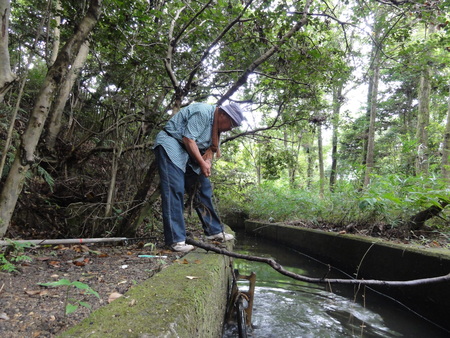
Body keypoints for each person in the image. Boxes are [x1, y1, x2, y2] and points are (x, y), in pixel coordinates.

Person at [153, 102, 245, 252]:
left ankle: (213, 231)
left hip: (188, 153)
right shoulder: (203, 112)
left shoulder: (216, 129)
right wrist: (201, 163)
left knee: (203, 187)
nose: (230, 128)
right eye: (231, 124)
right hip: (171, 144)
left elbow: (209, 150)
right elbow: (188, 139)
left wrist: (206, 163)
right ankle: (175, 240)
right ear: (222, 114)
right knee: (174, 189)